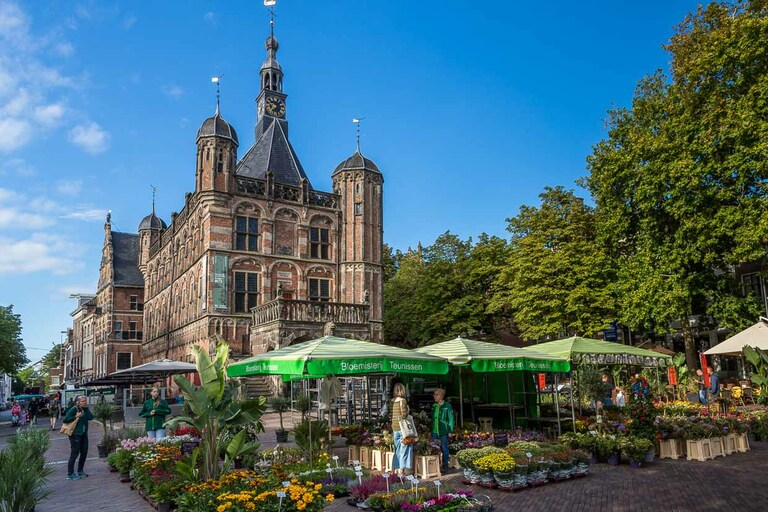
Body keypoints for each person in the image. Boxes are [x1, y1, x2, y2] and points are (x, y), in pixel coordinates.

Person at [62, 395, 94, 480]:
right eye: (82, 401)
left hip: (84, 434)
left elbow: (91, 417)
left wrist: (86, 409)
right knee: (75, 452)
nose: (84, 402)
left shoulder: (84, 410)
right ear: (78, 402)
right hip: (75, 434)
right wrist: (76, 416)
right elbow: (65, 420)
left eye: (85, 401)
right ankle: (70, 473)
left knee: (84, 452)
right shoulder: (74, 409)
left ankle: (80, 471)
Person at [390, 382, 413, 476]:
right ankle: (402, 469)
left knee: (397, 449)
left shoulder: (391, 401)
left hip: (394, 428)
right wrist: (408, 410)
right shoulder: (402, 401)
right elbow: (403, 415)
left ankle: (394, 468)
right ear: (402, 390)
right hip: (402, 429)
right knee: (405, 448)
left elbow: (390, 414)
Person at [431, 388, 455, 474]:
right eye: (434, 395)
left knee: (444, 449)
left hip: (443, 431)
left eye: (436, 395)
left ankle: (445, 466)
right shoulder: (434, 406)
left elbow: (451, 419)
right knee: (434, 449)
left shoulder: (447, 406)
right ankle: (436, 466)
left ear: (441, 396)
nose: (435, 396)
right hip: (434, 431)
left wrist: (450, 430)